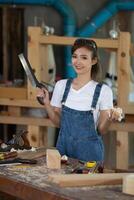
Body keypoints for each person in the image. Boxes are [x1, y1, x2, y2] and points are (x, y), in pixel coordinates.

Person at [37, 38, 123, 162]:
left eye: (84, 57)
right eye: (74, 56)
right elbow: (58, 123)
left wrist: (110, 119)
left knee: (87, 182)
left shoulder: (104, 91)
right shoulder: (61, 85)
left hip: (90, 154)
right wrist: (46, 104)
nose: (77, 61)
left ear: (93, 61)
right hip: (64, 150)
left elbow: (101, 130)